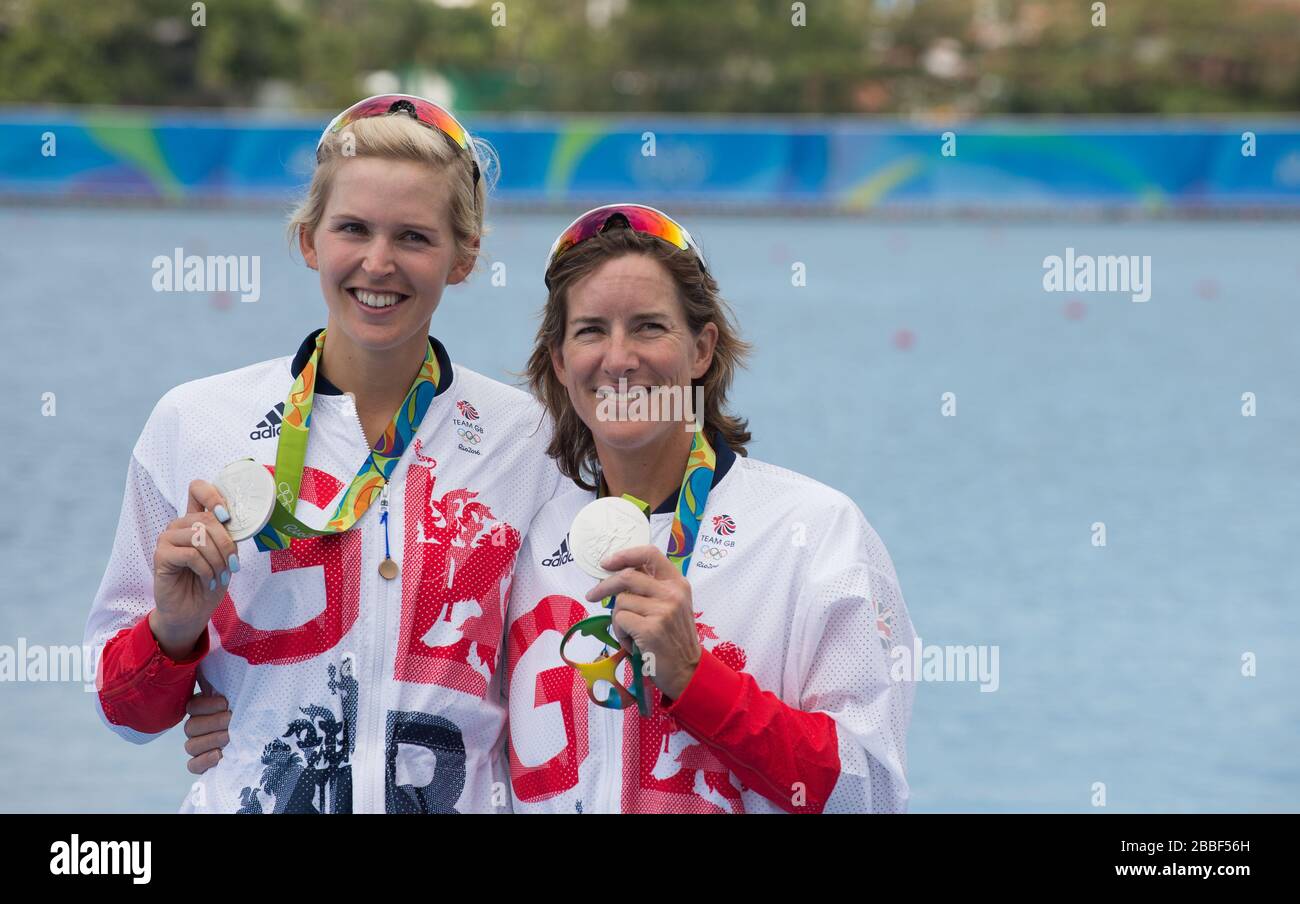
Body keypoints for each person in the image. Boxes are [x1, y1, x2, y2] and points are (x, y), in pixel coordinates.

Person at [188, 203, 918, 814]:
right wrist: (244, 705)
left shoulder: (811, 533)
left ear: (701, 349)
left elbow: (871, 791)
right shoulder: (531, 535)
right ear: (561, 362)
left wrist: (696, 678)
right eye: (591, 331)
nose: (620, 358)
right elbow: (421, 683)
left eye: (650, 328)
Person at [84, 95, 562, 813]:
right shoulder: (195, 422)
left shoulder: (529, 439)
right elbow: (124, 713)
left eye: (414, 237)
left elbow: (564, 680)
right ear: (309, 240)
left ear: (464, 258)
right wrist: (175, 630)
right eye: (352, 229)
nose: (379, 262)